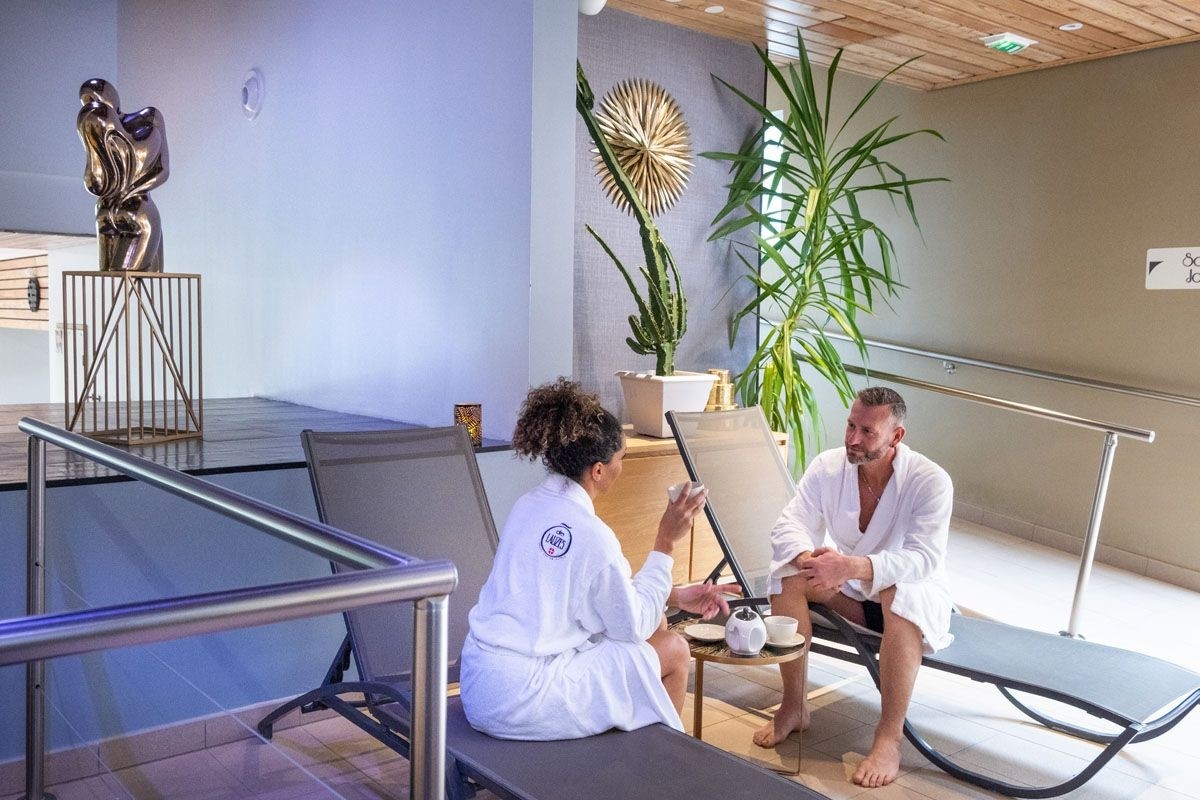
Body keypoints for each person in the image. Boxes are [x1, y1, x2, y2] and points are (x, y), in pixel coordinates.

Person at [460, 378, 738, 740]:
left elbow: (580, 589)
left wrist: (673, 596)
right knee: (674, 650)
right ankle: (660, 762)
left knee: (657, 624)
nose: (622, 467)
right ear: (598, 470)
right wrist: (665, 541)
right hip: (523, 696)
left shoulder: (527, 505)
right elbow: (630, 626)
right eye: (621, 459)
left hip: (480, 681)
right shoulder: (592, 535)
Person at [753, 386, 953, 788]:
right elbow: (789, 523)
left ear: (896, 436)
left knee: (899, 592)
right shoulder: (828, 468)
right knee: (789, 575)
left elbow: (923, 558)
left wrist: (852, 567)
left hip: (912, 600)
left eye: (867, 432)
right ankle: (794, 705)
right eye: (850, 426)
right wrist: (810, 559)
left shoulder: (930, 480)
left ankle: (889, 738)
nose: (853, 439)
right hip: (855, 596)